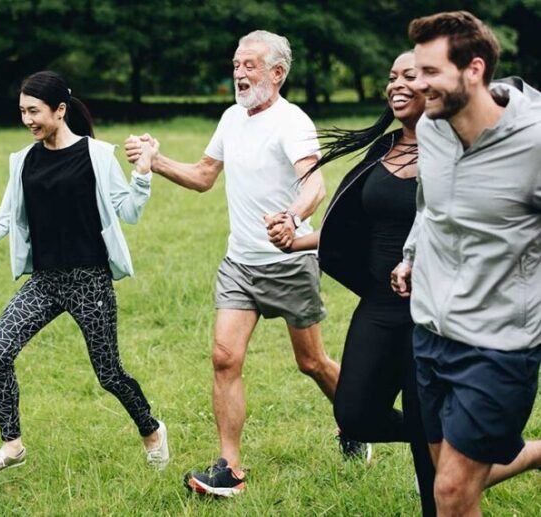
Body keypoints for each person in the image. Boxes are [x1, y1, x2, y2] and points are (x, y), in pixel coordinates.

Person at [125, 30, 360, 497]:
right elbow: (203, 176)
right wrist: (156, 159)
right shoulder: (232, 118)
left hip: (289, 263)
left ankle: (357, 420)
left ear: (278, 73)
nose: (239, 73)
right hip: (240, 264)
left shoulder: (292, 122)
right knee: (224, 357)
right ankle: (229, 467)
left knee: (311, 362)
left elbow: (315, 185)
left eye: (250, 65)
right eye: (236, 64)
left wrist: (294, 217)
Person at [0, 71, 169, 477]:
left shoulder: (97, 155)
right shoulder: (23, 161)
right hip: (46, 282)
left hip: (89, 281)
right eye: (22, 112)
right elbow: (3, 222)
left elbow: (130, 211)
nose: (27, 119)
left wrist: (143, 172)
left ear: (60, 110)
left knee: (108, 374)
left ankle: (152, 430)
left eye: (34, 111)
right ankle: (12, 445)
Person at [265, 51, 437, 516]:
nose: (396, 85)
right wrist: (297, 240)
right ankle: (445, 438)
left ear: (439, 84)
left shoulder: (457, 150)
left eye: (410, 77)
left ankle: (439, 479)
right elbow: (351, 224)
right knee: (355, 412)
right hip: (381, 304)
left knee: (426, 420)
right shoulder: (383, 149)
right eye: (392, 77)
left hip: (435, 311)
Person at [390, 11, 541, 515]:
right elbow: (429, 207)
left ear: (473, 70)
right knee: (450, 485)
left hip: (499, 345)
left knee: (452, 492)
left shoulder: (534, 143)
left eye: (429, 74)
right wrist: (411, 256)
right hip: (430, 331)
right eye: (414, 73)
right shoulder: (432, 129)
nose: (417, 86)